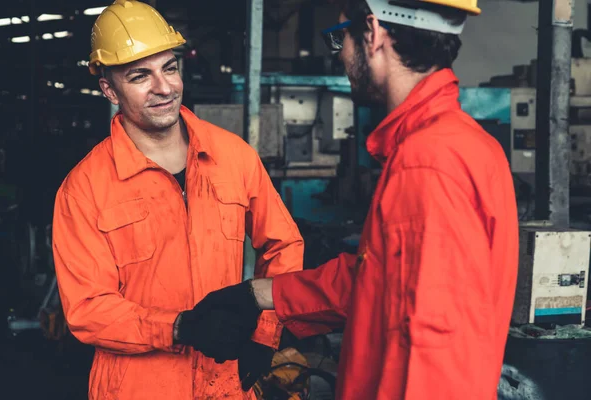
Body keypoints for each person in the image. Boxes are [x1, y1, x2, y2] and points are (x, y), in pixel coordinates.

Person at [190, 0, 520, 399]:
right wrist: (260, 295)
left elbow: (432, 348)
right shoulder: (467, 144)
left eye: (339, 38)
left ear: (373, 32)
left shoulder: (427, 162)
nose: (341, 56)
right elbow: (376, 281)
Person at [51, 1, 303, 399]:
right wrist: (180, 327)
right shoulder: (84, 188)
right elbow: (87, 309)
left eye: (169, 68)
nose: (164, 87)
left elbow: (284, 244)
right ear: (109, 89)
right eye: (140, 76)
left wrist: (265, 333)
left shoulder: (234, 157)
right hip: (138, 388)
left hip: (227, 382)